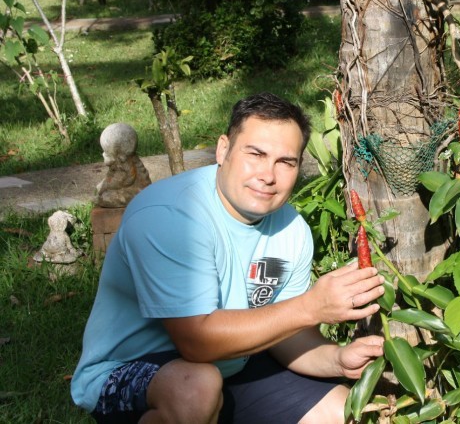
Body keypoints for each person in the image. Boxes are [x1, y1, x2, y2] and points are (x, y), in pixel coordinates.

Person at [72, 92, 386, 423]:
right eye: (256, 154)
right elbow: (197, 343)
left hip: (235, 362)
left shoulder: (292, 229)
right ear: (224, 150)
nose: (268, 175)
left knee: (343, 413)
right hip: (132, 369)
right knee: (197, 389)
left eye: (285, 162)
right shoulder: (170, 216)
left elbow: (284, 332)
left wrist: (337, 358)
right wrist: (311, 307)